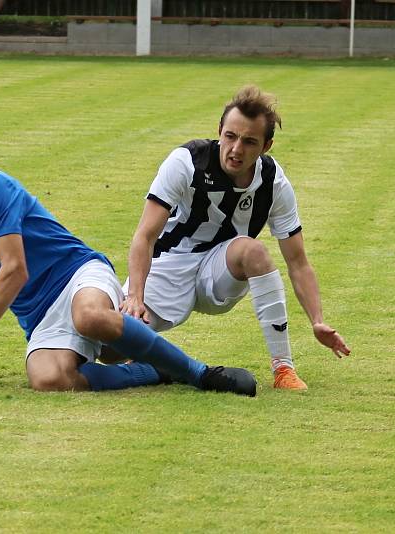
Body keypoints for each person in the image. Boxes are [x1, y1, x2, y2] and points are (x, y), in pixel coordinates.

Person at [0, 126, 257, 397]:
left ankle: (199, 373)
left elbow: (15, 269)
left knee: (89, 318)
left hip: (77, 275)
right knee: (49, 380)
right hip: (39, 316)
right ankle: (154, 370)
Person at [122, 86, 351, 391]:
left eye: (249, 141)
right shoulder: (186, 162)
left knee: (253, 250)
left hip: (221, 272)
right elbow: (145, 235)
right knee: (112, 344)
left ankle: (283, 368)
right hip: (169, 266)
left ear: (266, 146)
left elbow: (298, 262)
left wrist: (317, 320)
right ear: (219, 131)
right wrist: (135, 295)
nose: (236, 149)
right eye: (230, 136)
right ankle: (148, 366)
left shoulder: (274, 183)